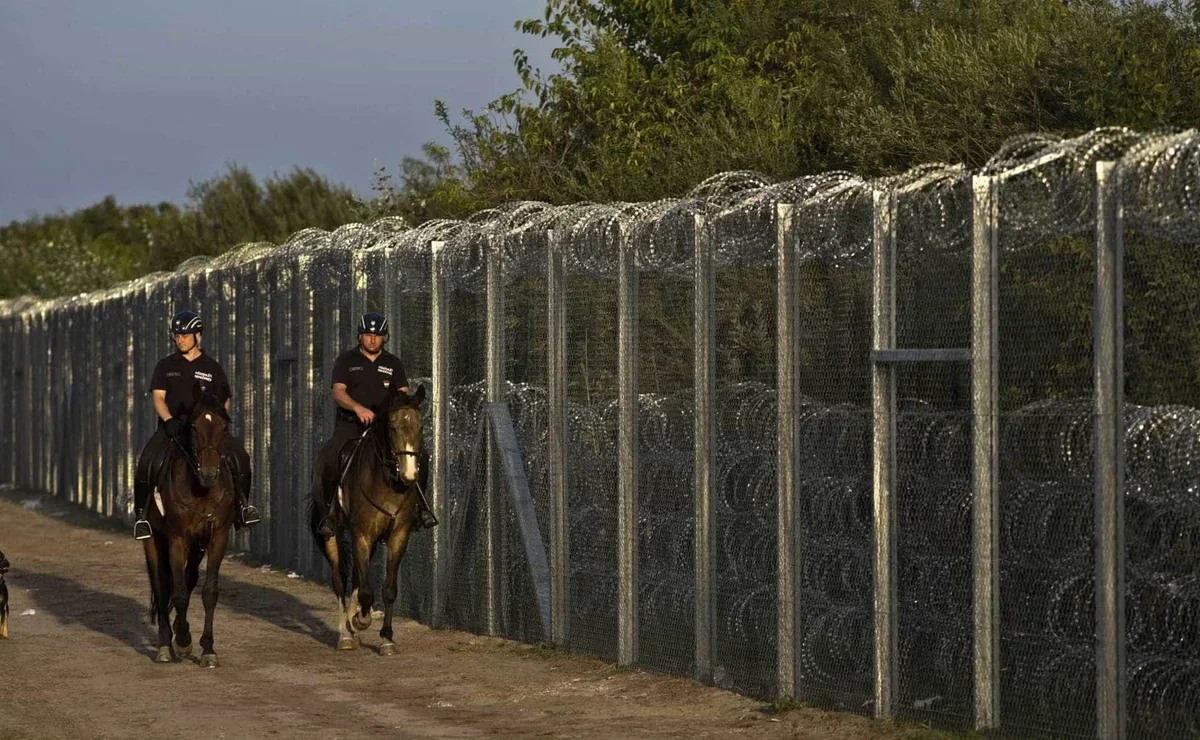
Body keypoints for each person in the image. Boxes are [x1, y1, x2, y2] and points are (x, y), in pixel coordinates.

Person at [132, 310, 261, 540]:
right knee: (147, 460)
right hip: (172, 429)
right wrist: (169, 420)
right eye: (176, 335)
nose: (179, 339)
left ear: (197, 335)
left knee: (240, 457)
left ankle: (243, 508)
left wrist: (216, 424)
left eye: (185, 334)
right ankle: (142, 517)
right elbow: (159, 398)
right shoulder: (165, 366)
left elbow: (224, 399)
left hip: (206, 433)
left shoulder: (212, 367)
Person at [313, 311, 436, 536]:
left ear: (384, 338)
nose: (372, 339)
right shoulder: (346, 361)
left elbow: (402, 395)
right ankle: (330, 512)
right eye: (368, 334)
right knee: (333, 454)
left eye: (377, 335)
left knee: (420, 454)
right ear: (359, 336)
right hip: (352, 424)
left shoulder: (393, 363)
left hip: (385, 427)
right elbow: (338, 393)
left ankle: (419, 508)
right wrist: (358, 408)